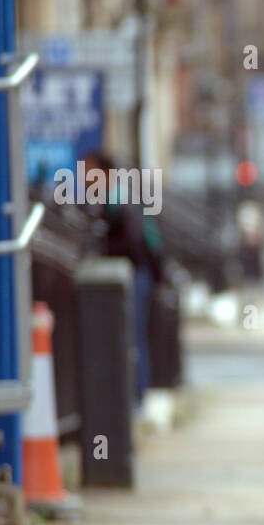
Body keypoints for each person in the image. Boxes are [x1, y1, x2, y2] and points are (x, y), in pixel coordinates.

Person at [82, 150, 163, 404]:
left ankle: (137, 398)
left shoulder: (118, 198)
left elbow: (132, 240)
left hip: (135, 274)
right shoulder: (115, 197)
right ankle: (135, 396)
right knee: (132, 336)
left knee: (132, 336)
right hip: (137, 273)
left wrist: (104, 249)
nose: (84, 179)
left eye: (89, 172)